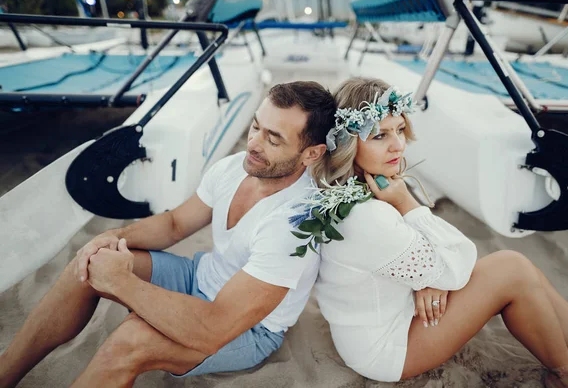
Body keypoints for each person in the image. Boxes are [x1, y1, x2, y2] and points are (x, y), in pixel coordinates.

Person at [0, 81, 337, 388]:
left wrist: (122, 282)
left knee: (131, 340)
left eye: (273, 138)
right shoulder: (236, 166)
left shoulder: (295, 224)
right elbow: (175, 224)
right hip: (198, 276)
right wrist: (114, 237)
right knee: (92, 261)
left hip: (247, 328)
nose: (254, 143)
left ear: (312, 153)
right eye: (255, 127)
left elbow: (214, 328)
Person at [304, 77, 568, 387]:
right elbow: (458, 265)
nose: (398, 145)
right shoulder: (367, 215)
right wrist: (408, 206)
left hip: (380, 322)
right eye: (379, 135)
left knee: (523, 273)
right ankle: (567, 374)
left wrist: (429, 278)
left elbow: (437, 262)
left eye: (400, 130)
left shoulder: (350, 191)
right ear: (349, 142)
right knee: (513, 269)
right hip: (387, 349)